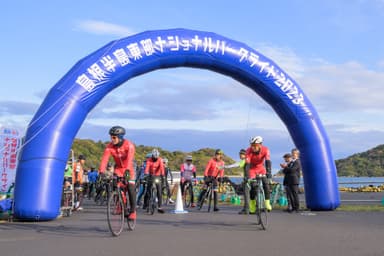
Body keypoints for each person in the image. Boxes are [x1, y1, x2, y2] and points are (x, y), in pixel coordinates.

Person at [99, 126, 137, 220]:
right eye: (111, 137)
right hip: (118, 169)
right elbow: (104, 159)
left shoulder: (129, 145)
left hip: (129, 169)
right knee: (115, 185)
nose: (112, 139)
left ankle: (133, 211)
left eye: (114, 137)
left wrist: (127, 170)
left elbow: (129, 159)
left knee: (130, 187)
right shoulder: (109, 147)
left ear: (120, 137)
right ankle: (121, 206)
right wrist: (101, 171)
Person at [245, 136, 272, 212]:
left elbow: (268, 162)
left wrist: (269, 173)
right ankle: (252, 204)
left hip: (261, 168)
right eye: (252, 145)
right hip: (252, 169)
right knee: (253, 187)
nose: (253, 147)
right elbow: (247, 164)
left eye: (255, 145)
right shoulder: (248, 151)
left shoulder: (265, 149)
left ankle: (267, 203)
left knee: (266, 184)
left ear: (260, 144)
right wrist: (247, 176)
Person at [225, 149, 249, 214]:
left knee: (246, 194)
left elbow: (236, 164)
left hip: (247, 179)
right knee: (252, 195)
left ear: (244, 154)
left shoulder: (244, 160)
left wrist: (225, 167)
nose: (240, 156)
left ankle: (246, 209)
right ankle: (253, 208)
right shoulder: (250, 160)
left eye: (241, 154)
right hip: (253, 178)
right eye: (239, 154)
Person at [143, 148, 166, 213]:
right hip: (150, 175)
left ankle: (160, 206)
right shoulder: (149, 160)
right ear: (152, 156)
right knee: (148, 189)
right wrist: (146, 174)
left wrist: (163, 175)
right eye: (154, 157)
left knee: (159, 190)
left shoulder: (160, 160)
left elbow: (162, 168)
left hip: (157, 176)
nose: (155, 158)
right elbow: (147, 168)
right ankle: (146, 204)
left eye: (156, 157)